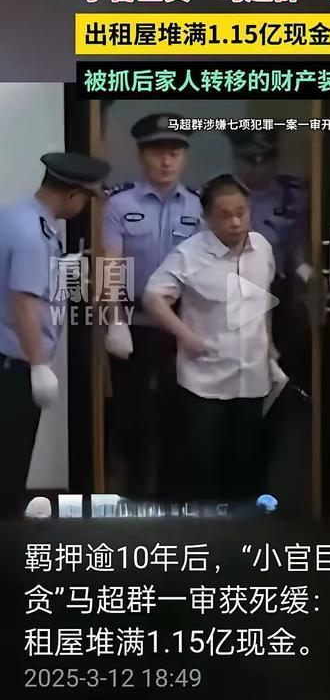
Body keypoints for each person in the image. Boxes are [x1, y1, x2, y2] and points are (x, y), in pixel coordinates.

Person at [144, 174, 280, 502]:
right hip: (205, 378)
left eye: (241, 213)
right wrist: (185, 335)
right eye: (225, 215)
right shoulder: (189, 255)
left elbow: (264, 300)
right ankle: (203, 526)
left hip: (252, 375)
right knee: (201, 466)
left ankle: (247, 523)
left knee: (247, 461)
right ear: (207, 217)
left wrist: (270, 346)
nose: (235, 222)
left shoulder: (262, 248)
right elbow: (153, 297)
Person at [0, 151, 110, 518]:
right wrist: (39, 365)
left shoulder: (16, 216)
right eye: (86, 199)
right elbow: (24, 301)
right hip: (13, 364)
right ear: (73, 195)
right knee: (10, 458)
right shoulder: (34, 234)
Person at [103, 112, 203, 496]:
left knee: (178, 409)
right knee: (131, 411)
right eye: (157, 152)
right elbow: (111, 265)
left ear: (185, 157)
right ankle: (132, 489)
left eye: (174, 152)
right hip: (133, 322)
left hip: (181, 323)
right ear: (141, 155)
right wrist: (114, 321)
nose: (166, 161)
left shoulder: (198, 207)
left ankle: (172, 493)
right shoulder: (119, 203)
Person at [225, 128, 311, 391]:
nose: (258, 167)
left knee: (286, 365)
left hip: (280, 290)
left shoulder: (293, 195)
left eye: (266, 159)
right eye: (251, 160)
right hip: (235, 290)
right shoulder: (219, 197)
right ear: (236, 158)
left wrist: (305, 269)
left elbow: (300, 240)